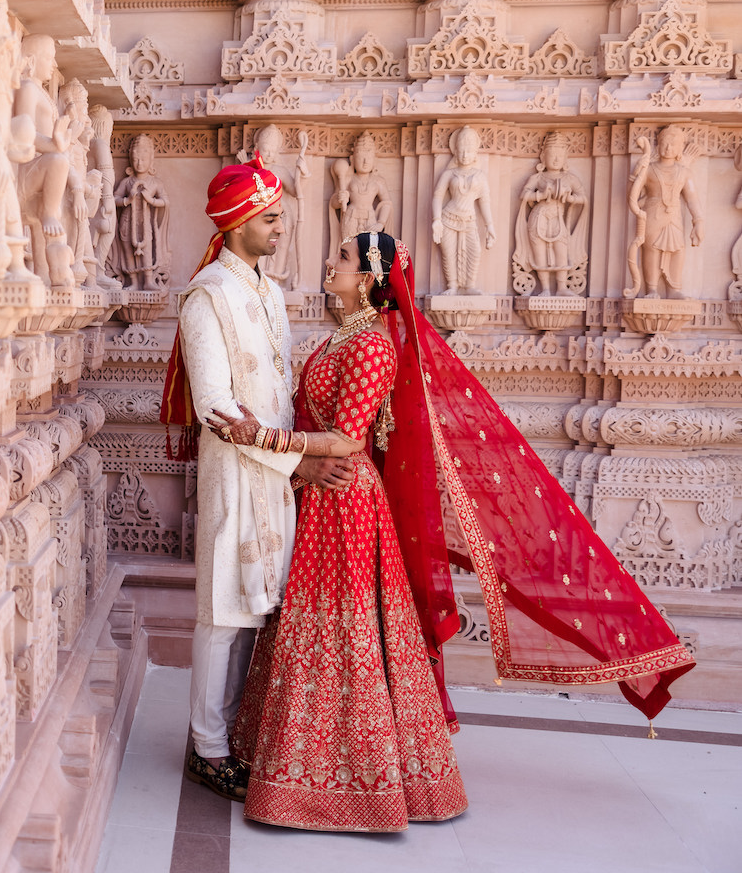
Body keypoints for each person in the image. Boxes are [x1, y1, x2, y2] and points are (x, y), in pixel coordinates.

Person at [212, 232, 696, 832]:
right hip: (318, 497)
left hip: (346, 503)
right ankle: (294, 766)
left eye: (340, 257)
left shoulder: (371, 345)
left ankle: (353, 785)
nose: (328, 263)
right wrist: (280, 443)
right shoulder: (338, 337)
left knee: (348, 634)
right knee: (314, 628)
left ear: (368, 277)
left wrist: (261, 439)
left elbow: (348, 439)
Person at [159, 157, 355, 802]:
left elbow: (275, 391)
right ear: (240, 220)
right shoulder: (206, 296)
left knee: (262, 608)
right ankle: (206, 749)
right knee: (224, 610)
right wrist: (299, 459)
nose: (280, 228)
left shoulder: (269, 293)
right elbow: (219, 410)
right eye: (271, 217)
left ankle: (237, 736)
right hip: (237, 474)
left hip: (277, 472)